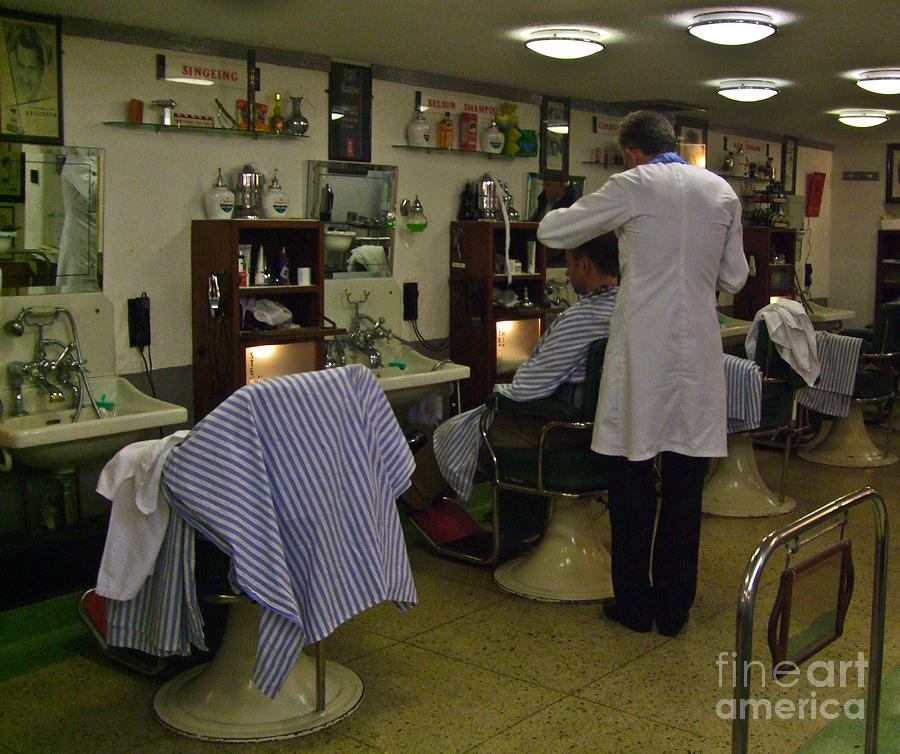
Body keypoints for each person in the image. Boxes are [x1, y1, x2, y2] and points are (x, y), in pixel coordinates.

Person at [537, 111, 749, 637]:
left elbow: (551, 230)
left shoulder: (632, 185)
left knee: (632, 478)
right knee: (685, 483)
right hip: (697, 352)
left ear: (631, 152)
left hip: (641, 350)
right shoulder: (720, 190)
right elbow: (735, 276)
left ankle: (635, 605)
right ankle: (674, 609)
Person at [403, 233, 620, 534]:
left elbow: (526, 389)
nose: (567, 273)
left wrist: (498, 396)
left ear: (585, 265)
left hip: (560, 432)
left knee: (453, 432)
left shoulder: (580, 319)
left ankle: (408, 501)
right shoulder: (628, 312)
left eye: (569, 264)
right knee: (469, 429)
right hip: (604, 431)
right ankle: (514, 524)